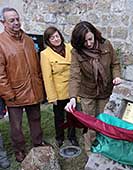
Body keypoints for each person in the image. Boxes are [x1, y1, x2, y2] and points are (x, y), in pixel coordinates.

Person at [65, 21, 121, 153]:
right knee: (90, 123)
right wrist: (72, 97)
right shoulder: (76, 52)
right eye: (84, 41)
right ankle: (90, 150)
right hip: (87, 93)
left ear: (94, 34)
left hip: (105, 90)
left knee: (103, 121)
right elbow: (74, 75)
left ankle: (103, 149)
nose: (89, 43)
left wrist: (116, 76)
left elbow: (115, 64)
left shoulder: (105, 44)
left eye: (90, 39)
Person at [0, 8, 44, 162]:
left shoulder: (28, 40)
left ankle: (38, 144)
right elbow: (0, 74)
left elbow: (36, 65)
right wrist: (8, 94)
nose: (16, 22)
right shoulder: (0, 43)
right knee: (16, 126)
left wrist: (39, 85)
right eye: (11, 20)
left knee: (36, 119)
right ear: (3, 23)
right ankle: (19, 151)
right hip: (14, 93)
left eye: (17, 19)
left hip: (32, 89)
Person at [40, 26, 78, 147]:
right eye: (52, 38)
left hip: (72, 89)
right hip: (59, 91)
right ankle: (59, 137)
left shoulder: (70, 48)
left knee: (72, 115)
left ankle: (72, 136)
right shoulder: (45, 54)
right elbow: (47, 77)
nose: (56, 39)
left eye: (57, 36)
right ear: (48, 41)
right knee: (59, 117)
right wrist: (52, 97)